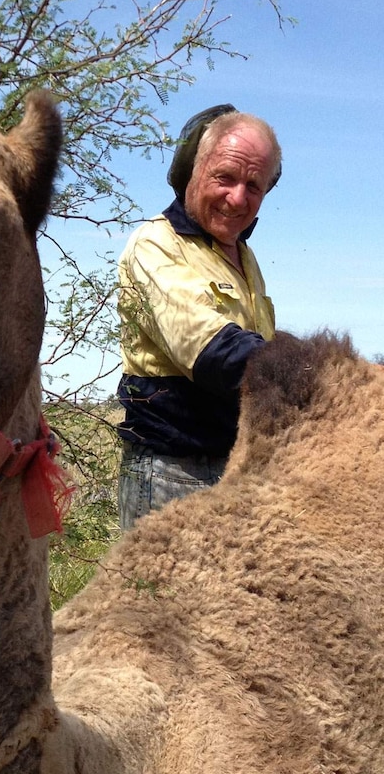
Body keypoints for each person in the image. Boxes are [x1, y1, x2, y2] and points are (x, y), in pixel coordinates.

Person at [116, 103, 282, 530]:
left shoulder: (244, 258)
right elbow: (214, 351)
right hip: (173, 472)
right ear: (192, 170)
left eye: (254, 185)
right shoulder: (156, 243)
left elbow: (257, 346)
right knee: (161, 597)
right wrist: (322, 374)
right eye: (224, 177)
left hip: (235, 468)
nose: (238, 198)